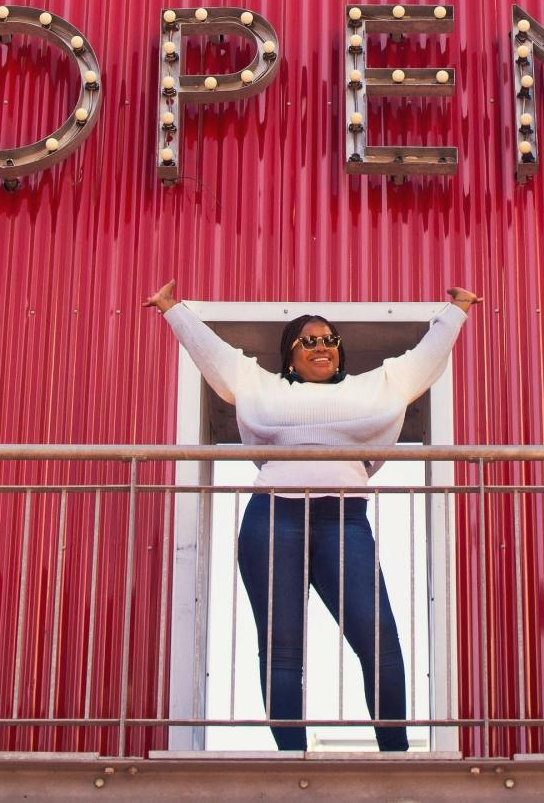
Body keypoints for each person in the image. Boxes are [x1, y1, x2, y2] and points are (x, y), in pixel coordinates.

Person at [144, 280, 480, 752]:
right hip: (271, 518)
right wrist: (172, 309)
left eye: (330, 340)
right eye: (309, 341)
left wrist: (456, 311)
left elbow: (424, 357)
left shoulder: (377, 386)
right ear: (290, 355)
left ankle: (396, 754)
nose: (322, 348)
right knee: (282, 649)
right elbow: (213, 353)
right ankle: (291, 757)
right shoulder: (259, 385)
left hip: (343, 520)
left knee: (378, 639)